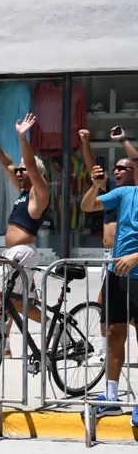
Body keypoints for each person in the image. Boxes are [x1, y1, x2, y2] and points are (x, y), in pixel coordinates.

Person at [0, 114, 50, 356]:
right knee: (14, 300)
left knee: (3, 297)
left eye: (24, 171)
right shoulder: (23, 192)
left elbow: (30, 165)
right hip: (15, 252)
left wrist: (22, 137)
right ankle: (53, 328)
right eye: (19, 171)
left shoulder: (39, 192)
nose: (19, 173)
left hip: (22, 252)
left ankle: (4, 343)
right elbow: (6, 163)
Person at [81, 163, 138, 421]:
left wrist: (136, 256)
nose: (118, 171)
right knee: (114, 334)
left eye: (125, 167)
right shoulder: (124, 193)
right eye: (116, 167)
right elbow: (87, 206)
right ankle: (112, 398)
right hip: (118, 275)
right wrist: (95, 185)